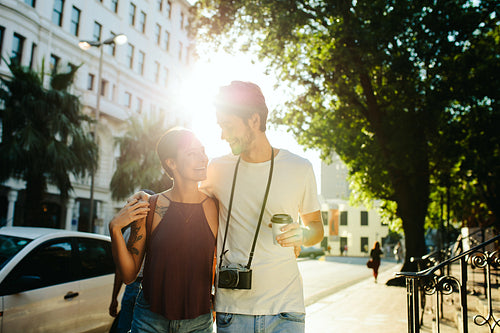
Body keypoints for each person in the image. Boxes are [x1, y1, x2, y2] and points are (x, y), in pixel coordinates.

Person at [202, 81, 324, 332]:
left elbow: (316, 229)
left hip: (286, 311)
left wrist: (302, 234)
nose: (223, 135)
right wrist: (147, 199)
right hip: (233, 312)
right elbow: (184, 200)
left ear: (254, 120)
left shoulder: (300, 168)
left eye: (228, 126)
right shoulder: (216, 168)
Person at [109, 128, 218, 333]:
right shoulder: (149, 207)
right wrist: (115, 229)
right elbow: (129, 275)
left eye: (202, 151)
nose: (203, 158)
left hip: (198, 323)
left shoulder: (215, 207)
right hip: (149, 321)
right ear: (171, 163)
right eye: (192, 153)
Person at [109, 189, 154, 333]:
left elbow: (120, 270)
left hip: (136, 286)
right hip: (148, 287)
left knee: (125, 327)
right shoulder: (159, 229)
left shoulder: (129, 232)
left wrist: (114, 298)